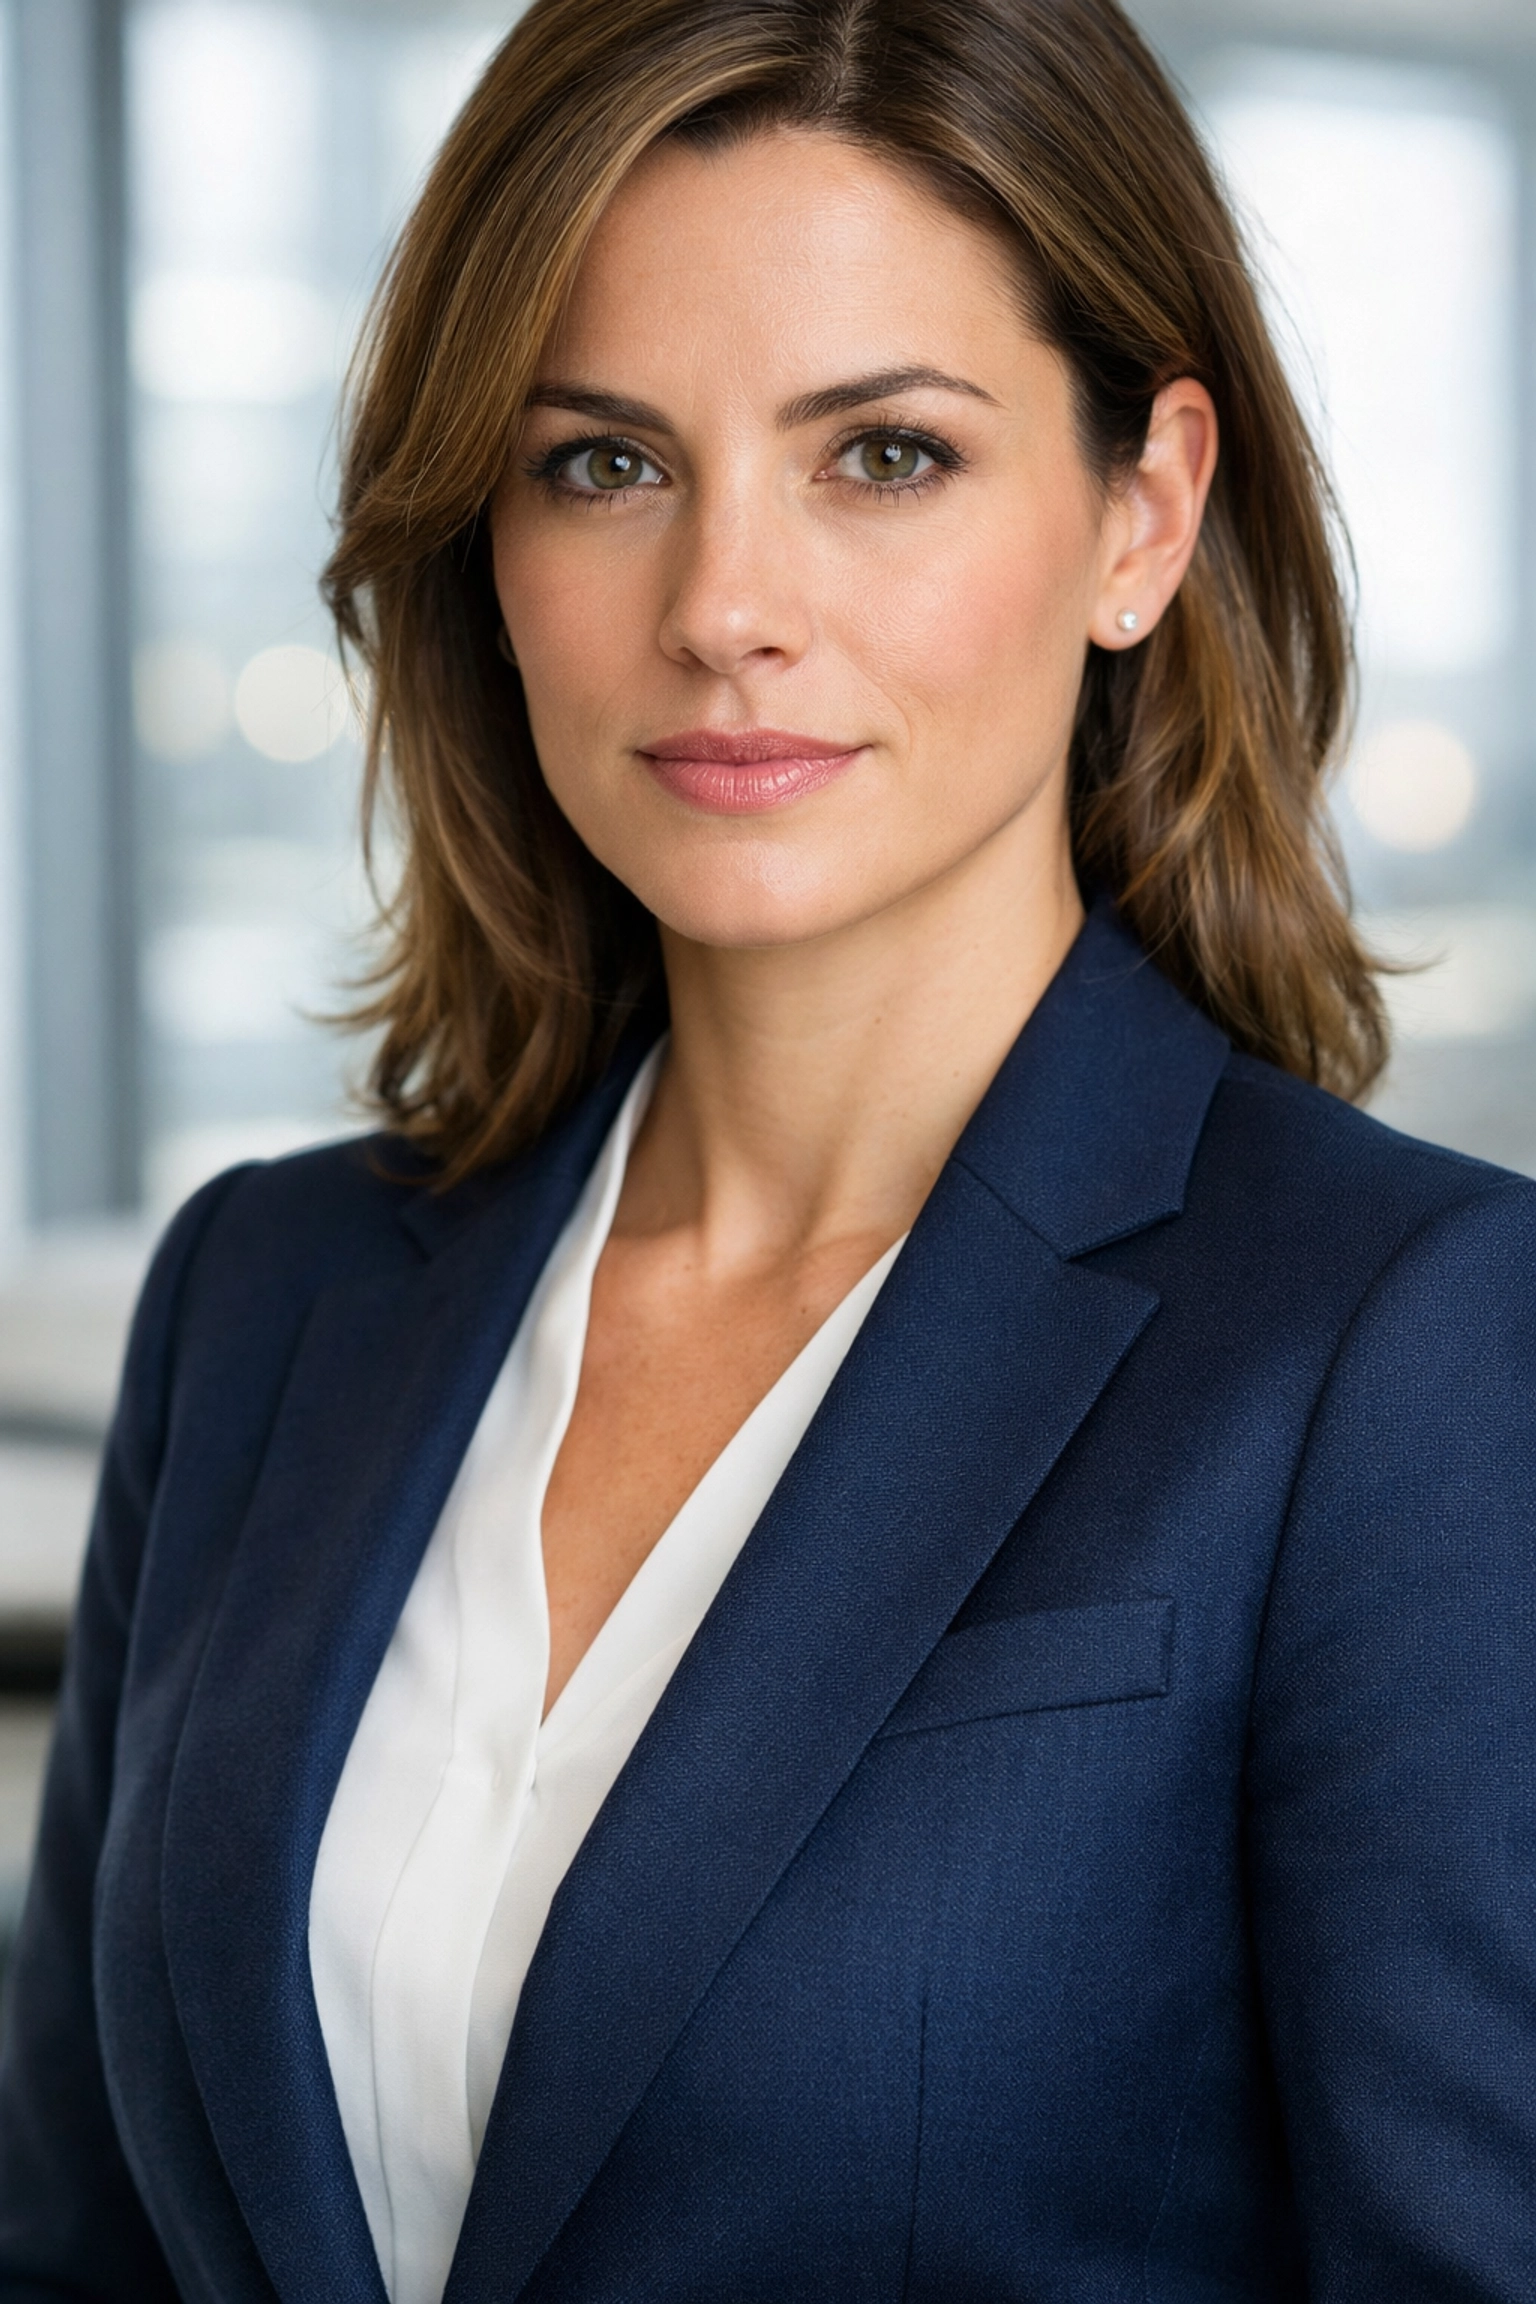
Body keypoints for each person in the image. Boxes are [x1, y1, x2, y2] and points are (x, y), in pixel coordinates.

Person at [3, 0, 1535, 2294]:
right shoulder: (265, 1298)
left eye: (884, 456)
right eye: (604, 463)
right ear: (484, 538)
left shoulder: (1396, 1352)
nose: (724, 609)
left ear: (1143, 513)